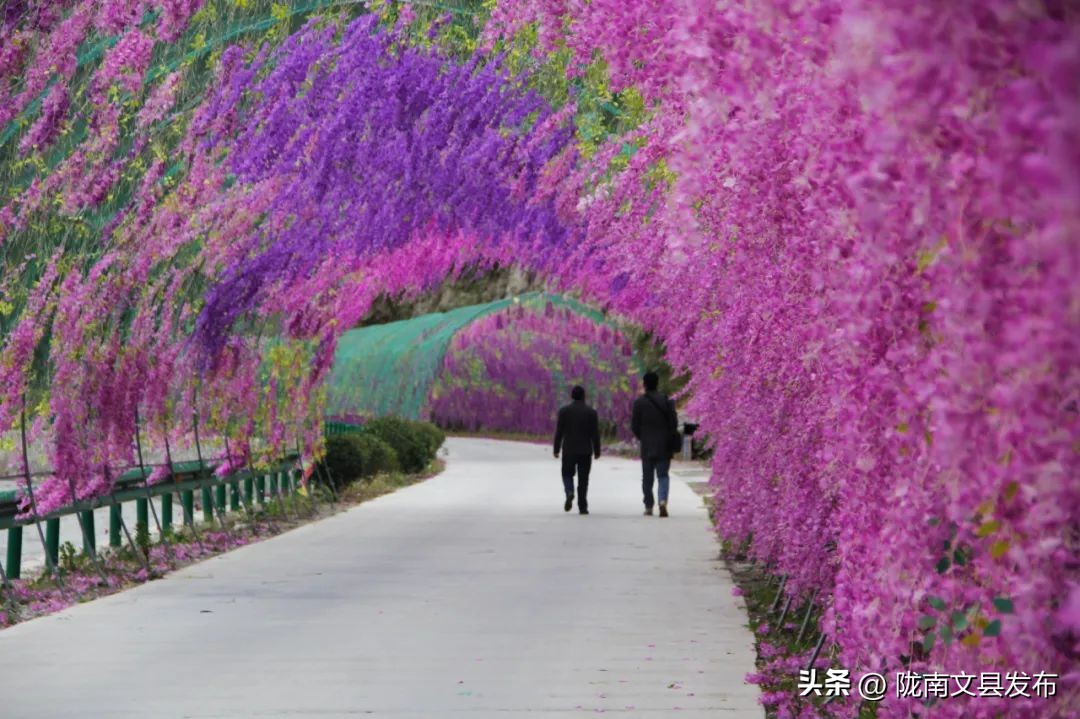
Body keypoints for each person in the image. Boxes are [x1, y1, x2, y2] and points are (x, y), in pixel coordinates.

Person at [631, 371, 678, 517]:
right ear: (657, 383)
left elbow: (634, 426)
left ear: (644, 384)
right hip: (664, 445)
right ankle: (662, 500)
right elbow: (674, 423)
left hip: (647, 445)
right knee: (663, 476)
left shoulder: (639, 403)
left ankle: (649, 506)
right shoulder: (667, 401)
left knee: (647, 478)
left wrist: (643, 437)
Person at [553, 385, 601, 515]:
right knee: (583, 479)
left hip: (569, 449)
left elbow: (559, 432)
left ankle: (569, 491)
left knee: (567, 474)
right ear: (584, 396)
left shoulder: (564, 411)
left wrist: (556, 449)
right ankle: (583, 506)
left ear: (572, 396)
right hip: (585, 450)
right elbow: (595, 434)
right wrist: (597, 451)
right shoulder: (591, 412)